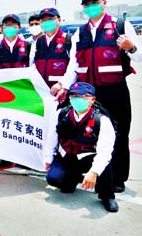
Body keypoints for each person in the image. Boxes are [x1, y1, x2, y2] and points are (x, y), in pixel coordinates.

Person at [54, 0, 142, 193]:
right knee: (87, 134)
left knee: (119, 134)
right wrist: (64, 85)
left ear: (104, 3)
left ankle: (118, 178)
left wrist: (131, 48)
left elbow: (139, 57)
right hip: (89, 94)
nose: (91, 6)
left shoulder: (120, 26)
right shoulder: (80, 33)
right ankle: (90, 171)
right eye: (87, 4)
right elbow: (73, 65)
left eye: (95, 2)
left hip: (115, 90)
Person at [45, 82, 118, 212]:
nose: (77, 99)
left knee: (104, 168)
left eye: (83, 96)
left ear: (92, 99)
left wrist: (93, 172)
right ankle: (75, 178)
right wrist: (48, 158)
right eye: (73, 96)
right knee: (54, 179)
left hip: (87, 157)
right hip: (66, 156)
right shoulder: (62, 114)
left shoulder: (101, 120)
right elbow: (51, 137)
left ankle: (107, 196)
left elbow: (105, 152)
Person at [0, 14, 32, 167]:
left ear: (19, 27)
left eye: (13, 25)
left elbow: (31, 67)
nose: (9, 28)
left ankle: (24, 157)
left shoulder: (28, 45)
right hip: (4, 91)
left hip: (23, 91)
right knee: (4, 123)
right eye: (6, 25)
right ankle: (5, 155)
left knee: (23, 122)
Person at [30, 8, 71, 94]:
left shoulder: (68, 39)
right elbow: (35, 64)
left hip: (61, 90)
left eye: (50, 19)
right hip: (43, 91)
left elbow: (74, 66)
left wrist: (63, 84)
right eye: (43, 20)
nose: (47, 22)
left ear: (59, 20)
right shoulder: (39, 41)